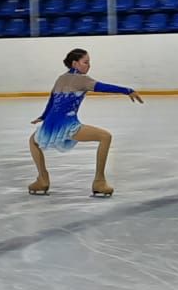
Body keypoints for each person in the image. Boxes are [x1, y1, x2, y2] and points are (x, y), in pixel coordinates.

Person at [28, 49, 144, 196]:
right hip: (67, 124)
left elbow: (52, 99)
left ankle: (43, 179)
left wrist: (43, 116)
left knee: (33, 141)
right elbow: (103, 87)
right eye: (86, 62)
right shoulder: (83, 80)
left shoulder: (60, 78)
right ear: (75, 63)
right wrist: (128, 90)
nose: (89, 65)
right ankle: (99, 181)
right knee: (105, 137)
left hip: (50, 124)